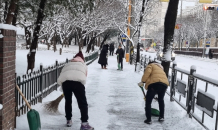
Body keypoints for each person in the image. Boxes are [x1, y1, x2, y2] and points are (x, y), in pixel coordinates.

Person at [57, 51, 94, 130]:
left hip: (66, 83)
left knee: (68, 101)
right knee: (82, 103)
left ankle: (68, 120)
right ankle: (84, 123)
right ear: (82, 59)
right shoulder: (83, 64)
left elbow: (62, 73)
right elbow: (84, 75)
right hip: (77, 83)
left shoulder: (68, 64)